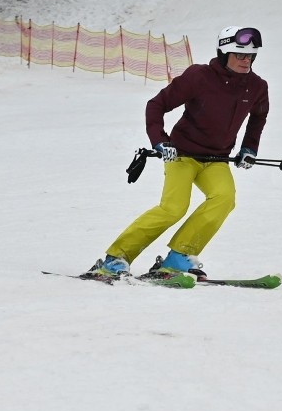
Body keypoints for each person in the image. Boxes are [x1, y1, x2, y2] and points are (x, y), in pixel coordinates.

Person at [85, 26, 270, 280]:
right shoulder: (199, 77)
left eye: (250, 56)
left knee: (224, 199)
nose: (245, 60)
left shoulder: (256, 86)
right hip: (182, 154)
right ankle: (116, 257)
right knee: (173, 208)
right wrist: (160, 141)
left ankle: (178, 257)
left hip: (216, 159)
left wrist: (249, 148)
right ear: (224, 53)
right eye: (239, 54)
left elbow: (258, 117)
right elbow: (156, 105)